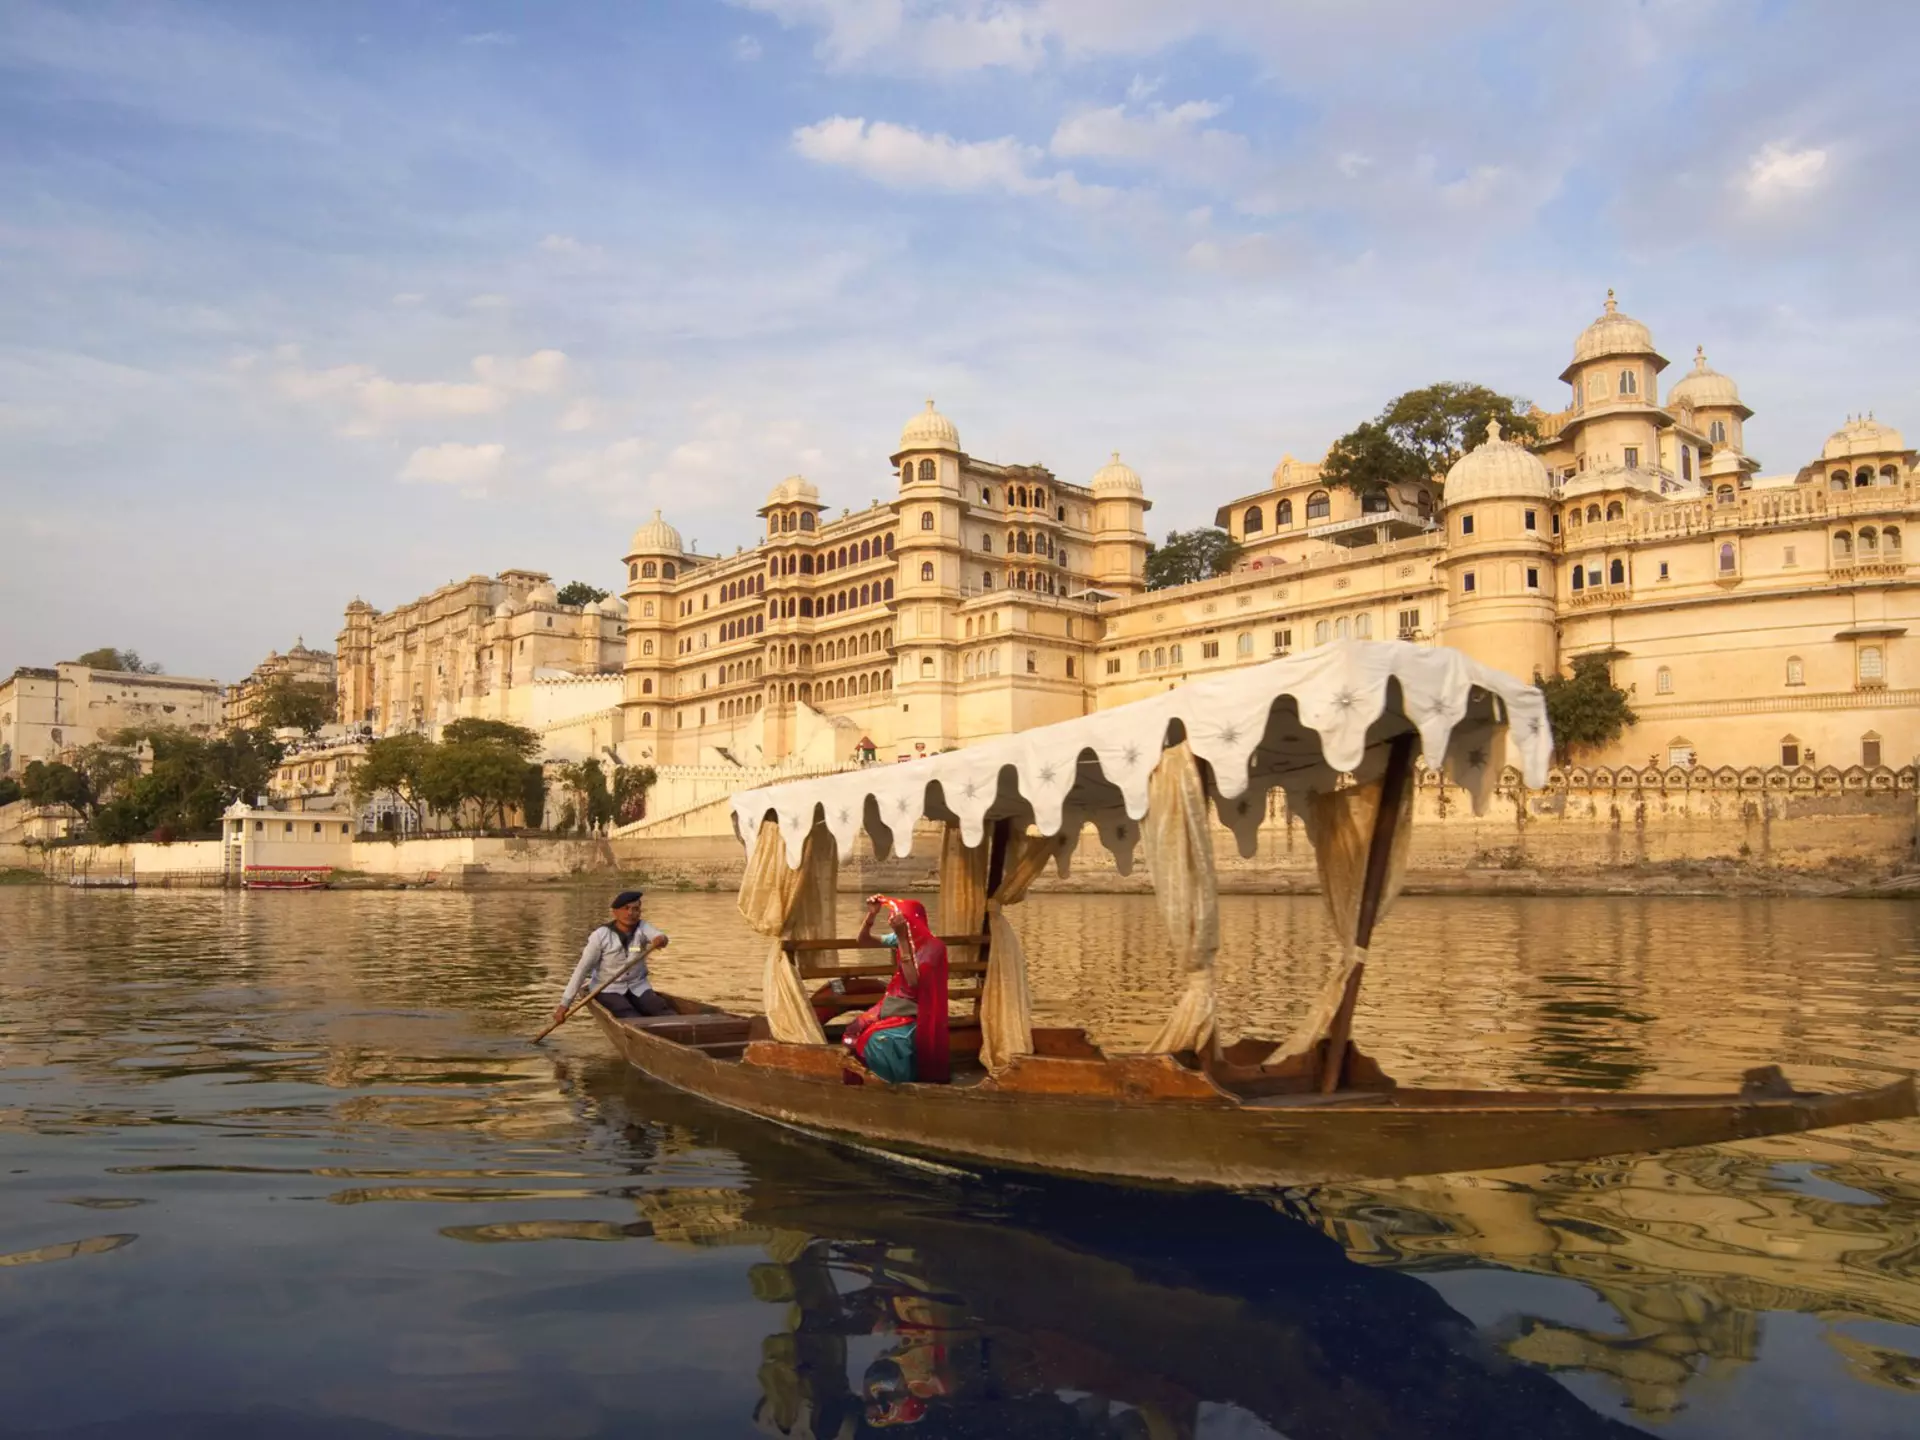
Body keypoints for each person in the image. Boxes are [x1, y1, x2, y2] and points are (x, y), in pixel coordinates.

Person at [842, 895, 949, 1084]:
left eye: (899, 918)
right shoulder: (899, 938)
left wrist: (902, 939)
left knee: (875, 1039)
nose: (894, 921)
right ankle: (862, 1082)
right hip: (891, 1002)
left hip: (915, 1009)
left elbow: (914, 982)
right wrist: (871, 916)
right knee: (854, 1029)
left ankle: (894, 1085)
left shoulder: (934, 947)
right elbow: (864, 940)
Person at [554, 889, 672, 1025]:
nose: (630, 913)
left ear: (639, 912)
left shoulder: (642, 927)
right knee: (628, 1014)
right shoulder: (600, 936)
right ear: (615, 912)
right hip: (608, 988)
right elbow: (582, 970)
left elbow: (659, 936)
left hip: (638, 985)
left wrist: (661, 940)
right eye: (625, 908)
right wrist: (564, 1005)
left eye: (635, 909)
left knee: (660, 1008)